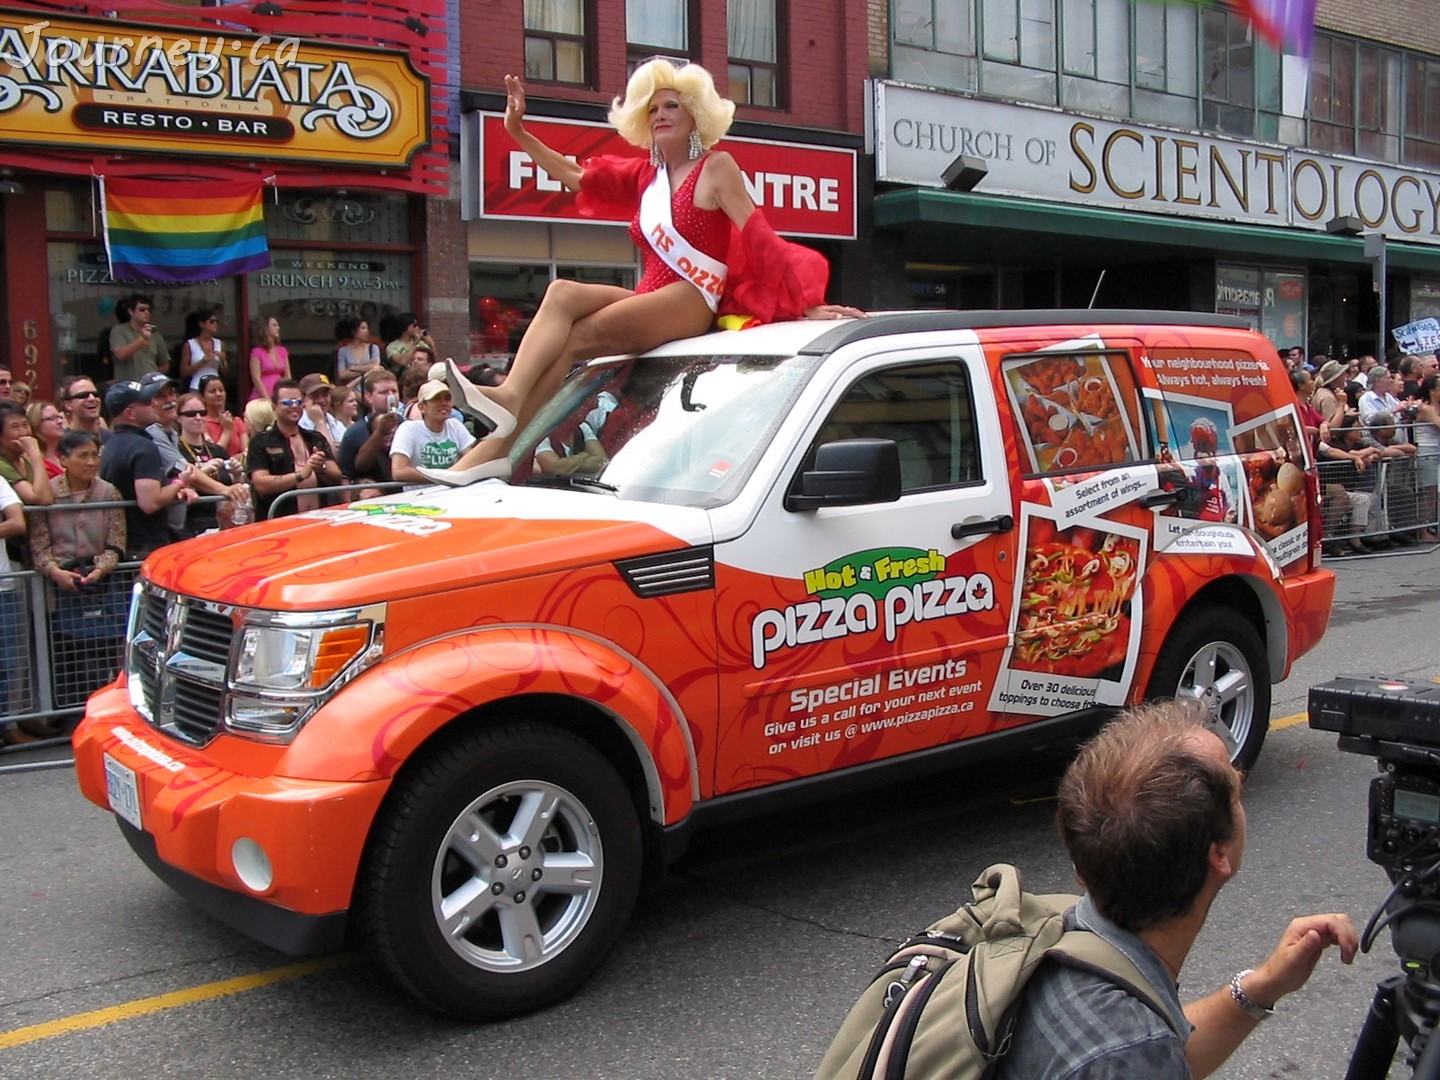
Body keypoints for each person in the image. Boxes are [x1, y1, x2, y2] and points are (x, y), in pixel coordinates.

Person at [424, 62, 862, 485]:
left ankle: (500, 443)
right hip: (650, 294)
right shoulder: (645, 176)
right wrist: (517, 131)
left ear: (696, 113)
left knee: (575, 338)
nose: (660, 115)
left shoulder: (717, 166)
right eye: (652, 109)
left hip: (692, 298)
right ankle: (508, 408)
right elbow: (575, 176)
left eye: (672, 105)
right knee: (561, 293)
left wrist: (803, 302)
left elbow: (758, 236)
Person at [995, 700, 1358, 1079]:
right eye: (1236, 790)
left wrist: (1262, 987)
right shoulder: (1126, 1054)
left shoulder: (1058, 935)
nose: (1242, 776)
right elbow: (1135, 1055)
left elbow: (1158, 1053)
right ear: (1218, 853)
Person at [28, 428, 127, 710]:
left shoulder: (108, 492)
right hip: (59, 586)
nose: (90, 462)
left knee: (104, 654)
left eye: (95, 455)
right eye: (82, 456)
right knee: (66, 656)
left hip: (100, 584)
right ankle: (68, 712)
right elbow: (39, 544)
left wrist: (99, 570)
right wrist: (55, 571)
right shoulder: (48, 493)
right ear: (63, 459)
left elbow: (116, 541)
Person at [98, 378, 197, 560]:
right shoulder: (143, 447)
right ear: (129, 413)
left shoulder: (111, 444)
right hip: (146, 547)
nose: (153, 403)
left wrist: (175, 492)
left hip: (124, 546)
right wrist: (180, 482)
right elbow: (150, 502)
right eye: (145, 401)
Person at [246, 379, 343, 519]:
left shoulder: (314, 438)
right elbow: (261, 484)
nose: (294, 406)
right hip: (279, 522)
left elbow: (337, 476)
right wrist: (300, 475)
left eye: (298, 402)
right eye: (287, 402)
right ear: (274, 407)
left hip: (318, 520)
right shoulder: (261, 442)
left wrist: (320, 468)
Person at [175, 392, 248, 534]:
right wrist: (202, 471)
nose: (198, 418)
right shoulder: (176, 449)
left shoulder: (217, 450)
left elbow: (234, 487)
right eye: (191, 414)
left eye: (202, 413)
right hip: (193, 525)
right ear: (178, 418)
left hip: (225, 524)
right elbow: (176, 485)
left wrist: (237, 475)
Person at [389, 376, 476, 483]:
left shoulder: (455, 425)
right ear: (422, 407)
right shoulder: (408, 429)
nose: (444, 403)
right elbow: (399, 472)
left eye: (447, 398)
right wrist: (444, 477)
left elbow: (471, 460)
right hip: (420, 496)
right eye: (436, 399)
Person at [338, 368, 401, 489]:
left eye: (394, 391)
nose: (391, 396)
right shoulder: (354, 432)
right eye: (384, 392)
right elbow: (345, 475)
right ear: (369, 396)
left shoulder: (407, 426)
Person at [0, 400, 54, 506]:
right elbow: (38, 499)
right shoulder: (2, 464)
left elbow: (48, 497)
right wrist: (35, 454)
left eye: (25, 425)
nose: (23, 433)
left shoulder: (27, 460)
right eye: (15, 427)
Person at [109, 294, 170, 383]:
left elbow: (165, 364)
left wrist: (152, 376)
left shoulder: (155, 334)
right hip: (127, 386)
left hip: (150, 386)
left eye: (149, 310)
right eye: (142, 310)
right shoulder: (119, 330)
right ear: (131, 311)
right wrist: (142, 338)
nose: (146, 312)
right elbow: (120, 354)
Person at [198, 372, 246, 459]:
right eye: (212, 391)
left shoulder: (236, 421)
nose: (218, 394)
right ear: (202, 397)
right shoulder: (201, 423)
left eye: (221, 390)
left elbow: (247, 453)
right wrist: (227, 431)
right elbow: (214, 456)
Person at [178, 309, 228, 389]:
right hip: (197, 386)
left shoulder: (220, 344)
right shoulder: (190, 344)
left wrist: (223, 361)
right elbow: (183, 372)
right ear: (202, 324)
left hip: (215, 387)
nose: (215, 324)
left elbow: (225, 372)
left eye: (216, 321)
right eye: (211, 321)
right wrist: (202, 362)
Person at [297, 372, 345, 452]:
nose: (321, 400)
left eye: (325, 395)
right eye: (314, 395)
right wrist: (319, 421)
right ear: (303, 399)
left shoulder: (337, 424)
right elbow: (328, 453)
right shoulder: (298, 426)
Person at [248, 314, 291, 402]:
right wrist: (267, 398)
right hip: (262, 395)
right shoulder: (256, 352)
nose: (278, 328)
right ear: (265, 328)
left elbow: (288, 376)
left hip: (279, 393)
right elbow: (256, 378)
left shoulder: (282, 350)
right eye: (274, 325)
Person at [59, 376, 108, 443]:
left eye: (95, 394)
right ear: (68, 405)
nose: (92, 398)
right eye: (83, 395)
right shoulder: (60, 443)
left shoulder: (112, 440)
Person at [335, 317, 383, 384]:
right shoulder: (343, 351)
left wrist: (352, 367)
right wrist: (367, 371)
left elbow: (375, 366)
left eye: (367, 328)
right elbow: (342, 374)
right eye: (363, 328)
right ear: (353, 331)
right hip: (352, 390)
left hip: (369, 388)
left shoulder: (373, 348)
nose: (367, 331)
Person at [26, 400, 65, 479]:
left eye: (59, 417)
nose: (60, 421)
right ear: (36, 423)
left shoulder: (68, 452)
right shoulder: (32, 460)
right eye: (52, 418)